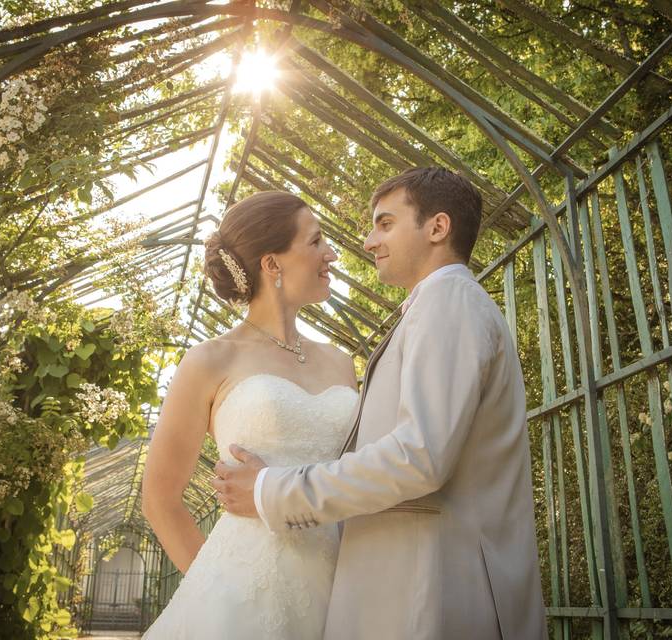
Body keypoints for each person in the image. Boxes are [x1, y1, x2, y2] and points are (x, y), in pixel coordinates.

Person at [214, 167, 547, 639]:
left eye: (385, 223)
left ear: (437, 227)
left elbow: (420, 458)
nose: (368, 241)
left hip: (435, 594)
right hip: (402, 590)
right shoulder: (431, 308)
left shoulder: (449, 303)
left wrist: (273, 491)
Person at [139, 191, 358, 639]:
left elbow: (357, 473)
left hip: (344, 585)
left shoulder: (340, 362)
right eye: (316, 242)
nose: (331, 254)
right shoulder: (209, 361)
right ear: (272, 264)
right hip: (241, 598)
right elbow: (160, 498)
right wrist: (215, 588)